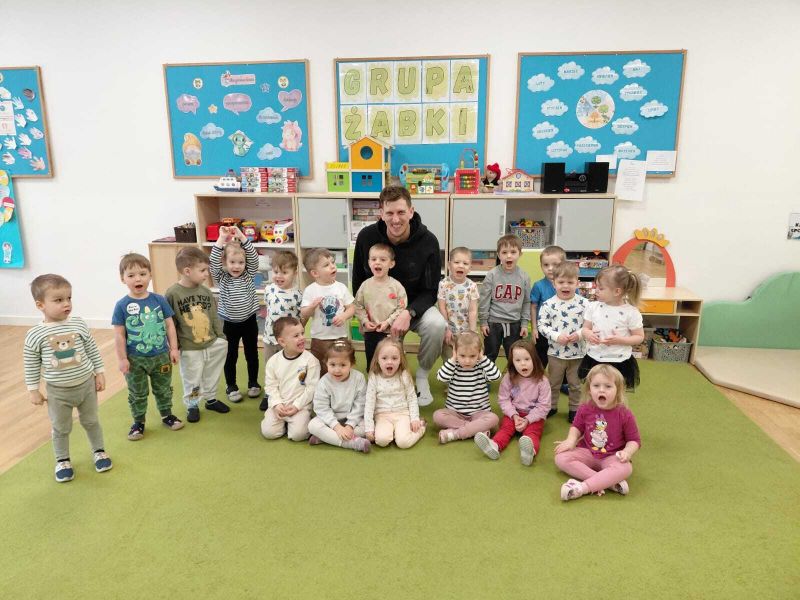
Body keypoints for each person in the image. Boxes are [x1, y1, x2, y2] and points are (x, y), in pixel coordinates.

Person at [352, 185, 446, 406]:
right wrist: (364, 318)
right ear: (381, 213)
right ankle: (380, 383)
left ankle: (422, 375)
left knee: (437, 324)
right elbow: (358, 282)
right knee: (379, 362)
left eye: (401, 212)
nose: (396, 219)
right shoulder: (366, 237)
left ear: (411, 211)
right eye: (390, 213)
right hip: (379, 312)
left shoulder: (429, 241)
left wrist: (408, 312)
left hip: (415, 308)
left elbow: (431, 290)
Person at [23, 274, 112, 482]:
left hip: (86, 385)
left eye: (69, 298)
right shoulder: (35, 334)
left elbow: (91, 349)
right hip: (58, 392)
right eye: (58, 300)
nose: (66, 304)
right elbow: (31, 364)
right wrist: (33, 389)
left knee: (91, 421)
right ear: (40, 305)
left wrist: (99, 372)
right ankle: (62, 460)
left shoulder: (78, 324)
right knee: (61, 428)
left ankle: (99, 451)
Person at [112, 253, 183, 441]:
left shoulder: (159, 300)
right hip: (135, 360)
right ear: (123, 279)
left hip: (161, 356)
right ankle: (138, 422)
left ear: (150, 275)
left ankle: (167, 415)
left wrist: (173, 348)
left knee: (164, 388)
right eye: (131, 275)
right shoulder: (121, 306)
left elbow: (170, 325)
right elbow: (119, 335)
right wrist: (122, 359)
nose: (138, 279)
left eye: (142, 274)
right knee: (138, 393)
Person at [554, 364, 641, 501]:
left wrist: (627, 452)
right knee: (561, 458)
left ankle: (582, 488)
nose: (601, 390)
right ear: (589, 390)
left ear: (618, 390)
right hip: (588, 451)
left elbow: (634, 440)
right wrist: (571, 440)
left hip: (612, 456)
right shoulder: (585, 408)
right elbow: (576, 427)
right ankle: (608, 482)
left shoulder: (624, 413)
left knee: (626, 468)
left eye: (608, 386)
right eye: (596, 386)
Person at [166, 247, 230, 423]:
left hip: (211, 342)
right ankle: (193, 404)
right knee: (192, 378)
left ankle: (211, 399)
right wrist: (173, 347)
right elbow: (170, 322)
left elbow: (213, 315)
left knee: (212, 373)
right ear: (187, 271)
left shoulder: (205, 291)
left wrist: (220, 337)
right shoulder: (173, 293)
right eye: (202, 270)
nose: (206, 274)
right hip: (189, 347)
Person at [474, 339, 550, 466]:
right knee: (505, 429)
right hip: (513, 413)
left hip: (534, 416)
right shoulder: (509, 377)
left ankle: (530, 451)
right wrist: (514, 415)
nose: (523, 363)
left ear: (534, 359)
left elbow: (544, 406)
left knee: (532, 433)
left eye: (527, 359)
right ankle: (494, 445)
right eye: (518, 360)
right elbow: (503, 399)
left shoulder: (542, 380)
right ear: (512, 362)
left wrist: (528, 420)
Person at [209, 225, 261, 403]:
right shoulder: (222, 277)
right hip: (229, 324)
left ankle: (253, 382)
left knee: (251, 354)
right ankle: (231, 385)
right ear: (225, 262)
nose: (237, 266)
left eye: (240, 262)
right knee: (230, 355)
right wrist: (221, 238)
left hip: (249, 321)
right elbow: (213, 262)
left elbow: (253, 257)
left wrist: (241, 236)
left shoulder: (249, 274)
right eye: (232, 262)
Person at [537, 261, 589, 423]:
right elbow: (542, 325)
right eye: (561, 282)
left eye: (570, 282)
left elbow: (591, 325)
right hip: (555, 353)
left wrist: (579, 334)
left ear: (577, 283)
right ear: (554, 283)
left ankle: (574, 409)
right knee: (553, 383)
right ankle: (551, 406)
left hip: (578, 354)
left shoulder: (585, 304)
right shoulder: (548, 304)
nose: (565, 286)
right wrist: (555, 336)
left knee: (575, 385)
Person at [579, 265, 645, 390]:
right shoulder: (593, 307)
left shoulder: (631, 312)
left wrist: (621, 340)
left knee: (615, 392)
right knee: (594, 390)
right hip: (595, 357)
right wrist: (588, 334)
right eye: (596, 287)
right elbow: (585, 329)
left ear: (617, 291)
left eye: (601, 288)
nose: (596, 291)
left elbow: (639, 337)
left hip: (618, 360)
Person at [434, 331, 500, 444]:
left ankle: (456, 434)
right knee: (438, 416)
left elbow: (496, 376)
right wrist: (453, 359)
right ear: (455, 352)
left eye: (472, 356)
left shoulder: (482, 366)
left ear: (479, 352)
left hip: (479, 413)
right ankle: (476, 429)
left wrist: (482, 359)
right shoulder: (453, 366)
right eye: (462, 356)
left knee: (493, 418)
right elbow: (441, 377)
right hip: (455, 413)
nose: (467, 361)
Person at [260, 316, 320, 441]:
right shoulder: (273, 361)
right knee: (268, 433)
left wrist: (297, 406)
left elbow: (312, 388)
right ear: (282, 342)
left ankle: (296, 423)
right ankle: (285, 424)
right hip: (279, 405)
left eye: (302, 333)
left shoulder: (311, 361)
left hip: (301, 406)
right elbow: (270, 387)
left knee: (298, 435)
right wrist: (276, 404)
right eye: (296, 335)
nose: (302, 338)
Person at [308, 339, 370, 453]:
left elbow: (360, 405)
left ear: (352, 364)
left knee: (368, 427)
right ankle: (351, 443)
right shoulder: (323, 382)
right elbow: (321, 408)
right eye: (332, 364)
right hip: (331, 419)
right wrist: (336, 427)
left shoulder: (359, 378)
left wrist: (350, 426)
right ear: (326, 363)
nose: (337, 370)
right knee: (312, 425)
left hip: (352, 418)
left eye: (343, 365)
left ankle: (326, 438)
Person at [300, 247, 355, 376]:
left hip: (340, 337)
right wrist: (312, 306)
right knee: (320, 369)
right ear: (315, 273)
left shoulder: (341, 287)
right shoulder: (310, 290)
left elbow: (352, 308)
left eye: (332, 262)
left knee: (341, 367)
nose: (332, 266)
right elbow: (304, 313)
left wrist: (343, 316)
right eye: (326, 265)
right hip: (319, 339)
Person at [364, 337, 425, 449]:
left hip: (402, 414)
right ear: (377, 359)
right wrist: (369, 428)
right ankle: (393, 432)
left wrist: (414, 419)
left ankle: (421, 428)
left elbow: (412, 398)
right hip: (382, 415)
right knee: (381, 441)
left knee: (403, 443)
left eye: (394, 358)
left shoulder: (404, 375)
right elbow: (369, 403)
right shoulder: (374, 377)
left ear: (401, 359)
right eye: (384, 358)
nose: (389, 362)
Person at [354, 243, 408, 369]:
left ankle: (395, 380)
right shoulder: (365, 286)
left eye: (383, 260)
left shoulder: (396, 286)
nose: (377, 262)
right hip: (371, 332)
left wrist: (388, 322)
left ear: (391, 264)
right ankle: (373, 380)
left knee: (392, 362)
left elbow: (402, 307)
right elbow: (357, 305)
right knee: (372, 362)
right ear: (369, 262)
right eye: (373, 259)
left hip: (391, 332)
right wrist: (365, 321)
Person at [479, 234, 531, 363]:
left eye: (513, 252)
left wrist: (524, 323)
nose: (509, 256)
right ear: (498, 255)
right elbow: (484, 300)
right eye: (504, 252)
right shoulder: (492, 275)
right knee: (490, 354)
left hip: (514, 324)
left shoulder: (524, 277)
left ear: (520, 254)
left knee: (514, 356)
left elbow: (526, 302)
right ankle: (486, 375)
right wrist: (483, 322)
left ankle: (512, 375)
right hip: (493, 323)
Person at [261, 250, 303, 411]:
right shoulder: (269, 289)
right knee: (270, 367)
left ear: (295, 273)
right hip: (269, 339)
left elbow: (300, 318)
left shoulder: (297, 295)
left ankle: (289, 393)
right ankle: (270, 394)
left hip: (289, 342)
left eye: (284, 272)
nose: (279, 276)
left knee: (289, 368)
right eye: (276, 272)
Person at [437, 246, 479, 361]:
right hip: (449, 332)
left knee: (467, 359)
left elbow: (473, 311)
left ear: (470, 268)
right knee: (450, 359)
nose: (461, 266)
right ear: (449, 265)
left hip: (466, 333)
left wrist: (472, 332)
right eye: (457, 262)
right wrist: (446, 328)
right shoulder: (443, 284)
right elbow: (442, 308)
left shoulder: (472, 286)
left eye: (465, 263)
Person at [529, 245, 566, 370]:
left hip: (563, 330)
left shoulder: (569, 285)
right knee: (540, 360)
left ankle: (561, 380)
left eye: (555, 264)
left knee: (561, 361)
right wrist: (534, 328)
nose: (550, 268)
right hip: (543, 330)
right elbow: (533, 307)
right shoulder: (538, 286)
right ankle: (537, 378)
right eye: (546, 265)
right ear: (541, 266)